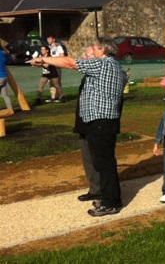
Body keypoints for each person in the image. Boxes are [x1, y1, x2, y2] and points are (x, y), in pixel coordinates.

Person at [32, 37, 127, 216]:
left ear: (102, 50)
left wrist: (43, 59)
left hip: (101, 120)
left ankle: (111, 202)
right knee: (103, 162)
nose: (91, 50)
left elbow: (69, 62)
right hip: (104, 120)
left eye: (94, 47)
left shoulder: (103, 64)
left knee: (104, 163)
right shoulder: (116, 67)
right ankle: (107, 197)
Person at [73, 46, 101, 204]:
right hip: (83, 123)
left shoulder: (100, 73)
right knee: (87, 157)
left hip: (96, 123)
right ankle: (95, 189)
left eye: (88, 55)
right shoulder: (88, 76)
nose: (85, 58)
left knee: (99, 157)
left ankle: (104, 190)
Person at [47, 35, 66, 102]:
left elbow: (62, 55)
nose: (48, 41)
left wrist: (56, 61)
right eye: (47, 39)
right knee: (51, 82)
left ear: (53, 39)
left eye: (49, 39)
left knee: (57, 82)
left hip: (56, 66)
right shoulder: (49, 47)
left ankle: (61, 96)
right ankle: (53, 97)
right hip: (50, 67)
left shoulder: (58, 47)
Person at [0, 44, 14, 116]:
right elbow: (8, 52)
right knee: (5, 95)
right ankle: (10, 110)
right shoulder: (3, 53)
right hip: (4, 77)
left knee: (5, 95)